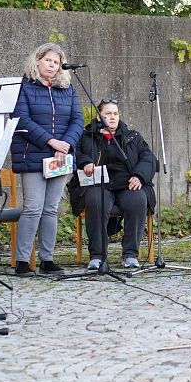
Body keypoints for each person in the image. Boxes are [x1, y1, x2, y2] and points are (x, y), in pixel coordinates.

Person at [10, 43, 84, 276]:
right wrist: (51, 142)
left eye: (56, 62)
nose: (52, 65)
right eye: (48, 60)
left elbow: (77, 119)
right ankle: (22, 261)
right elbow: (22, 119)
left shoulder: (67, 88)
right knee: (33, 208)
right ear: (38, 60)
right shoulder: (23, 86)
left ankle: (47, 259)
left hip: (60, 156)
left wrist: (66, 145)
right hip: (33, 154)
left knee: (51, 209)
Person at [73, 99, 155, 272]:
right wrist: (86, 162)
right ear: (98, 116)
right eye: (108, 114)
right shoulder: (87, 136)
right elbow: (76, 154)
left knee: (138, 199)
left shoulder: (132, 136)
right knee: (96, 201)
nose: (112, 117)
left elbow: (148, 159)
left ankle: (131, 254)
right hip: (98, 183)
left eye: (115, 114)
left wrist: (139, 176)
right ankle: (97, 256)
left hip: (127, 183)